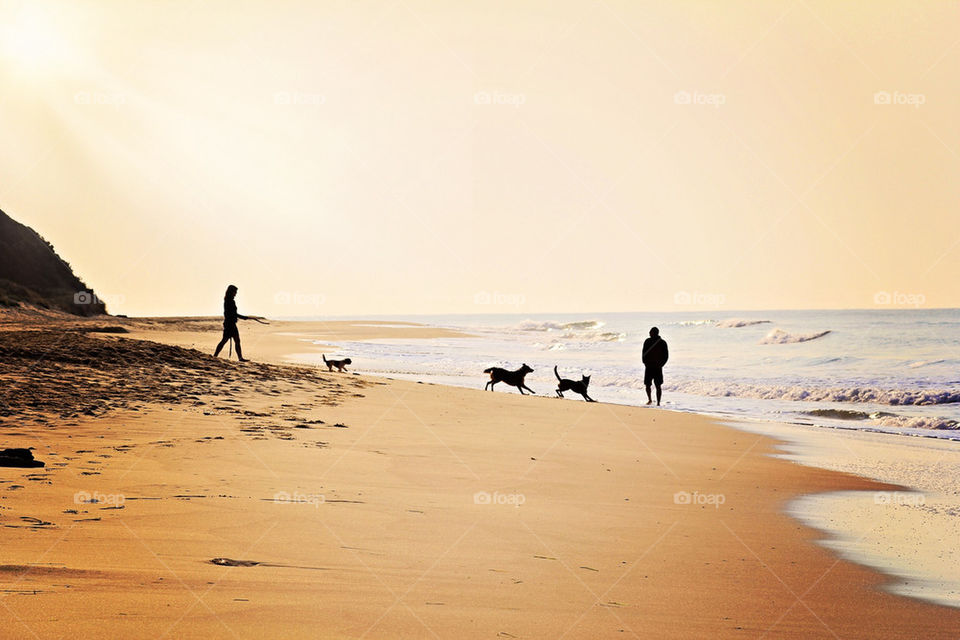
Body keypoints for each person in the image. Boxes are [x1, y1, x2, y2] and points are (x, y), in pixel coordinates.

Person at [214, 285, 252, 362]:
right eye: (235, 292)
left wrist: (242, 317)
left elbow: (233, 313)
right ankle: (215, 356)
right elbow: (232, 313)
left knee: (234, 340)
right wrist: (243, 317)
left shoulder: (228, 300)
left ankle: (239, 357)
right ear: (231, 292)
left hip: (230, 324)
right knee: (227, 340)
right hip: (230, 324)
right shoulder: (229, 301)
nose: (236, 294)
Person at [642, 326, 668, 406]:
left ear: (654, 333)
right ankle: (651, 400)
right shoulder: (648, 341)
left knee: (657, 385)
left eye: (650, 332)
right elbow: (643, 353)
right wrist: (645, 363)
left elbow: (666, 356)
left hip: (656, 367)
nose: (649, 333)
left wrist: (661, 365)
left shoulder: (662, 342)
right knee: (649, 385)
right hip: (651, 366)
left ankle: (658, 402)